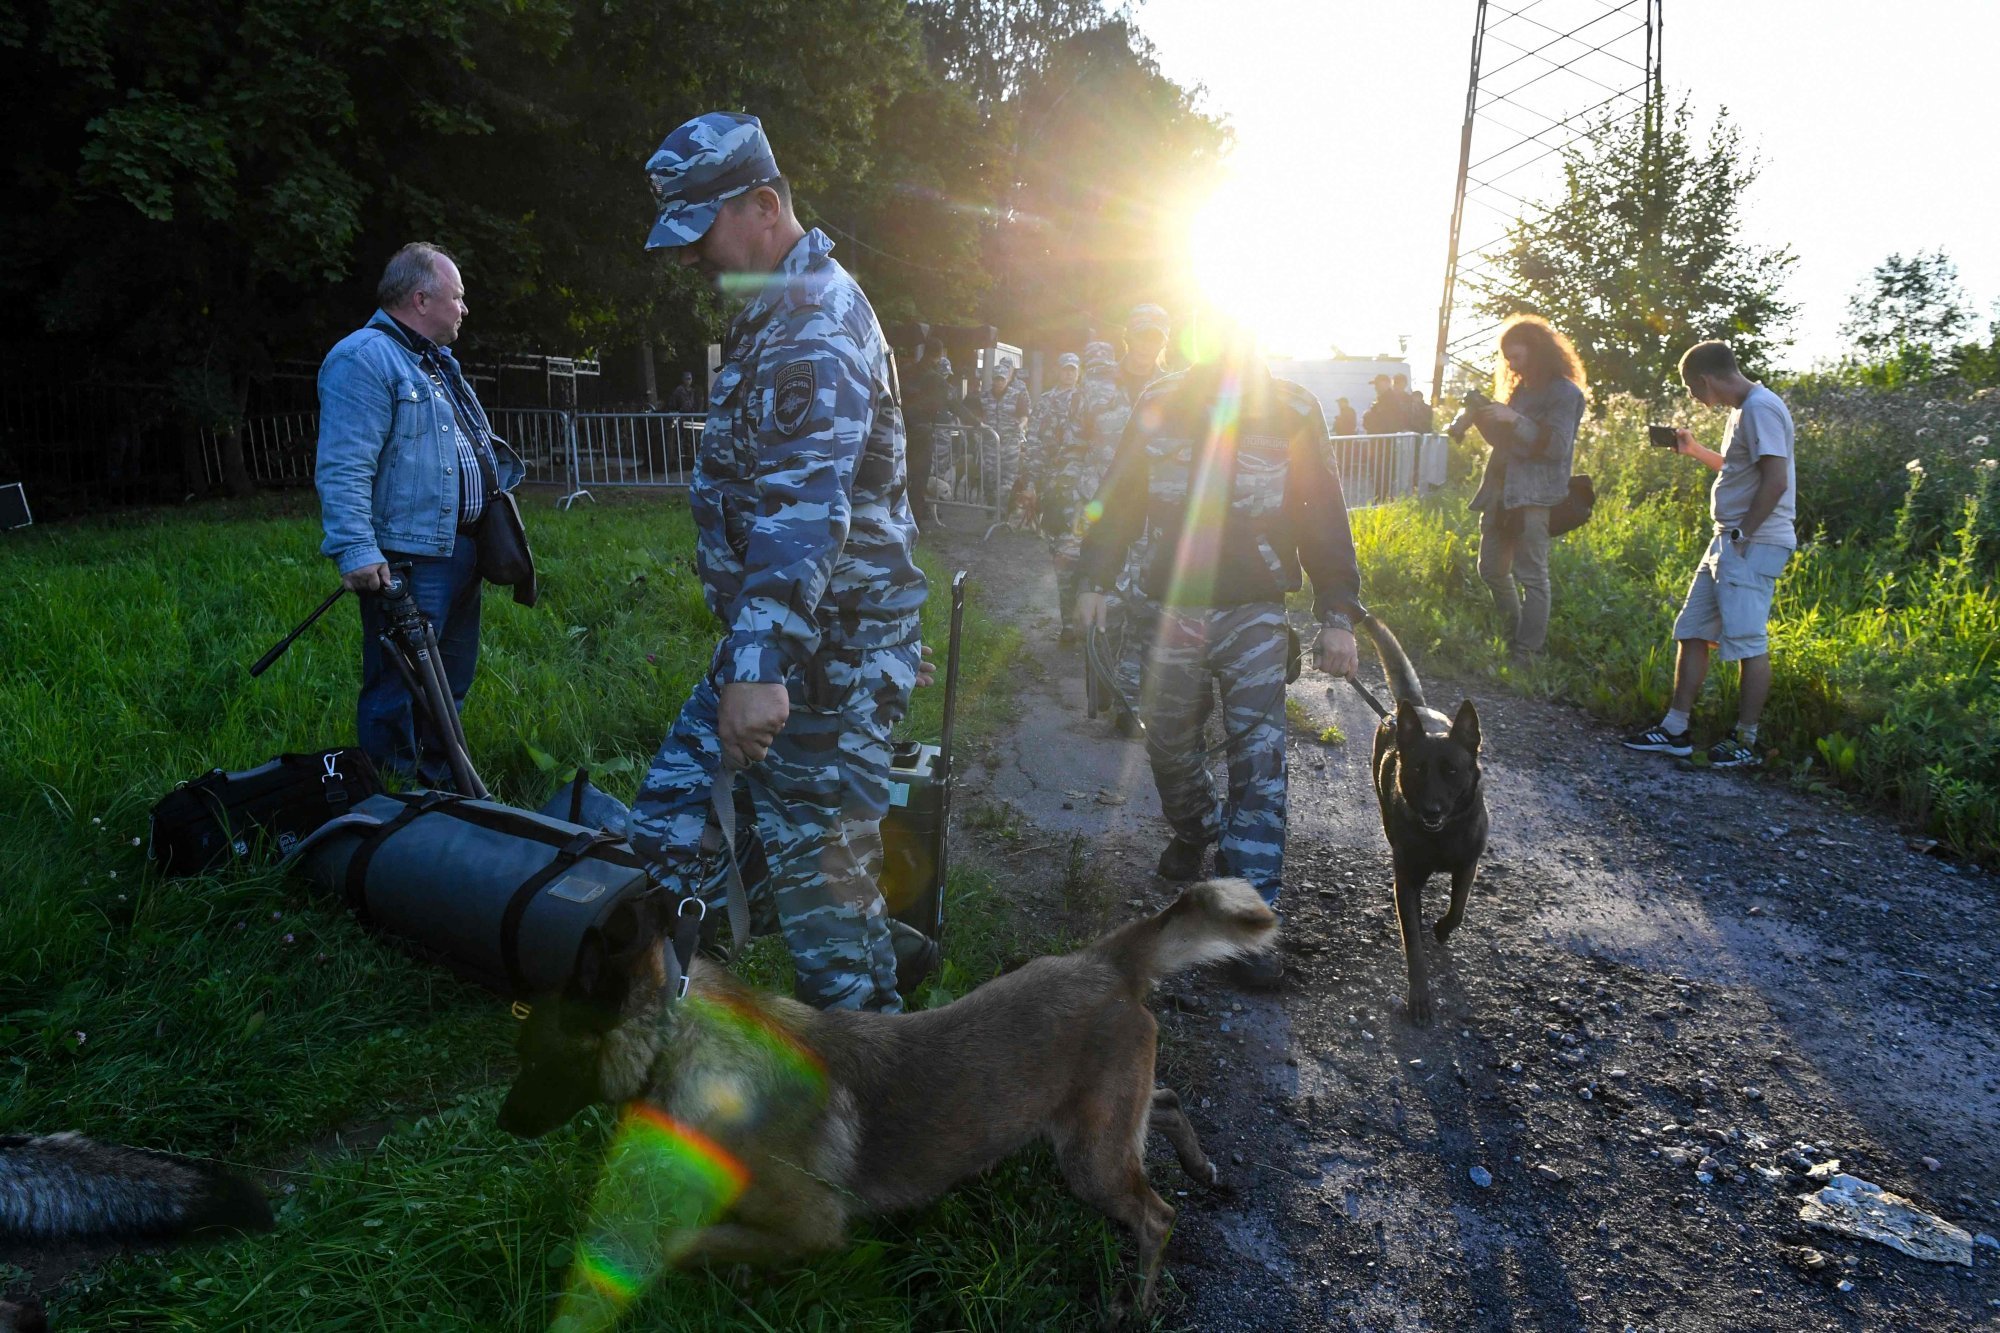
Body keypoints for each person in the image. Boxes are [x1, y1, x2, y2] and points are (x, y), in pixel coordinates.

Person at [626, 111, 928, 1013]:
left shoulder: (813, 323)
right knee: (675, 817)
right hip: (788, 644)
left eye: (700, 233)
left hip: (827, 658)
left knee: (823, 899)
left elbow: (805, 515)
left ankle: (870, 1095)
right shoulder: (777, 314)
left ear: (763, 206)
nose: (690, 260)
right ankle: (707, 1008)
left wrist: (756, 671)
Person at [1074, 327, 1363, 987]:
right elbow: (1119, 495)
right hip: (1168, 603)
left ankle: (1245, 924)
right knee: (1169, 741)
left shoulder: (1291, 408)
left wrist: (1337, 611)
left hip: (1253, 610)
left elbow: (1322, 511)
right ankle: (1194, 824)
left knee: (1258, 757)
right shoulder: (1162, 398)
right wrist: (1093, 577)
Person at [315, 242, 524, 787]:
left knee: (448, 683)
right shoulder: (363, 357)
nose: (464, 308)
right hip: (408, 557)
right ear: (421, 297)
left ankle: (440, 794)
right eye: (458, 297)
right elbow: (344, 464)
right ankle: (393, 802)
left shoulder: (432, 362)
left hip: (458, 550)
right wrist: (356, 549)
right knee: (397, 686)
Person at [1622, 340, 1797, 769]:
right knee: (1693, 630)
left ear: (1704, 380)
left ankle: (1746, 741)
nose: (1693, 397)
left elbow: (1776, 481)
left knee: (1747, 642)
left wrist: (1743, 533)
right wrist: (1695, 450)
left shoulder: (1760, 407)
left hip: (1751, 542)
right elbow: (1739, 470)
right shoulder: (1743, 410)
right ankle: (1675, 730)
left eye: (1691, 388)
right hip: (1729, 540)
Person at [1458, 314, 1587, 665]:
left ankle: (1527, 653)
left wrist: (1514, 419)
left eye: (1517, 356)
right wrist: (1486, 417)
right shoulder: (1520, 390)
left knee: (1532, 577)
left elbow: (1557, 447)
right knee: (1492, 571)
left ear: (1538, 351)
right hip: (1500, 494)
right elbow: (1507, 443)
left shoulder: (1565, 393)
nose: (1511, 364)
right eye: (1508, 358)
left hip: (1534, 497)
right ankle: (1512, 634)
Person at [1028, 351, 1083, 632]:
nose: (1069, 374)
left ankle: (1087, 622)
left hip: (1082, 488)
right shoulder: (1046, 401)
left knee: (1083, 552)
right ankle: (1068, 623)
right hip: (1053, 486)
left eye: (1074, 370)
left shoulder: (1086, 400)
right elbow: (1035, 440)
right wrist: (1032, 481)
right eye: (1065, 369)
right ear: (1058, 371)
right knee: (1060, 554)